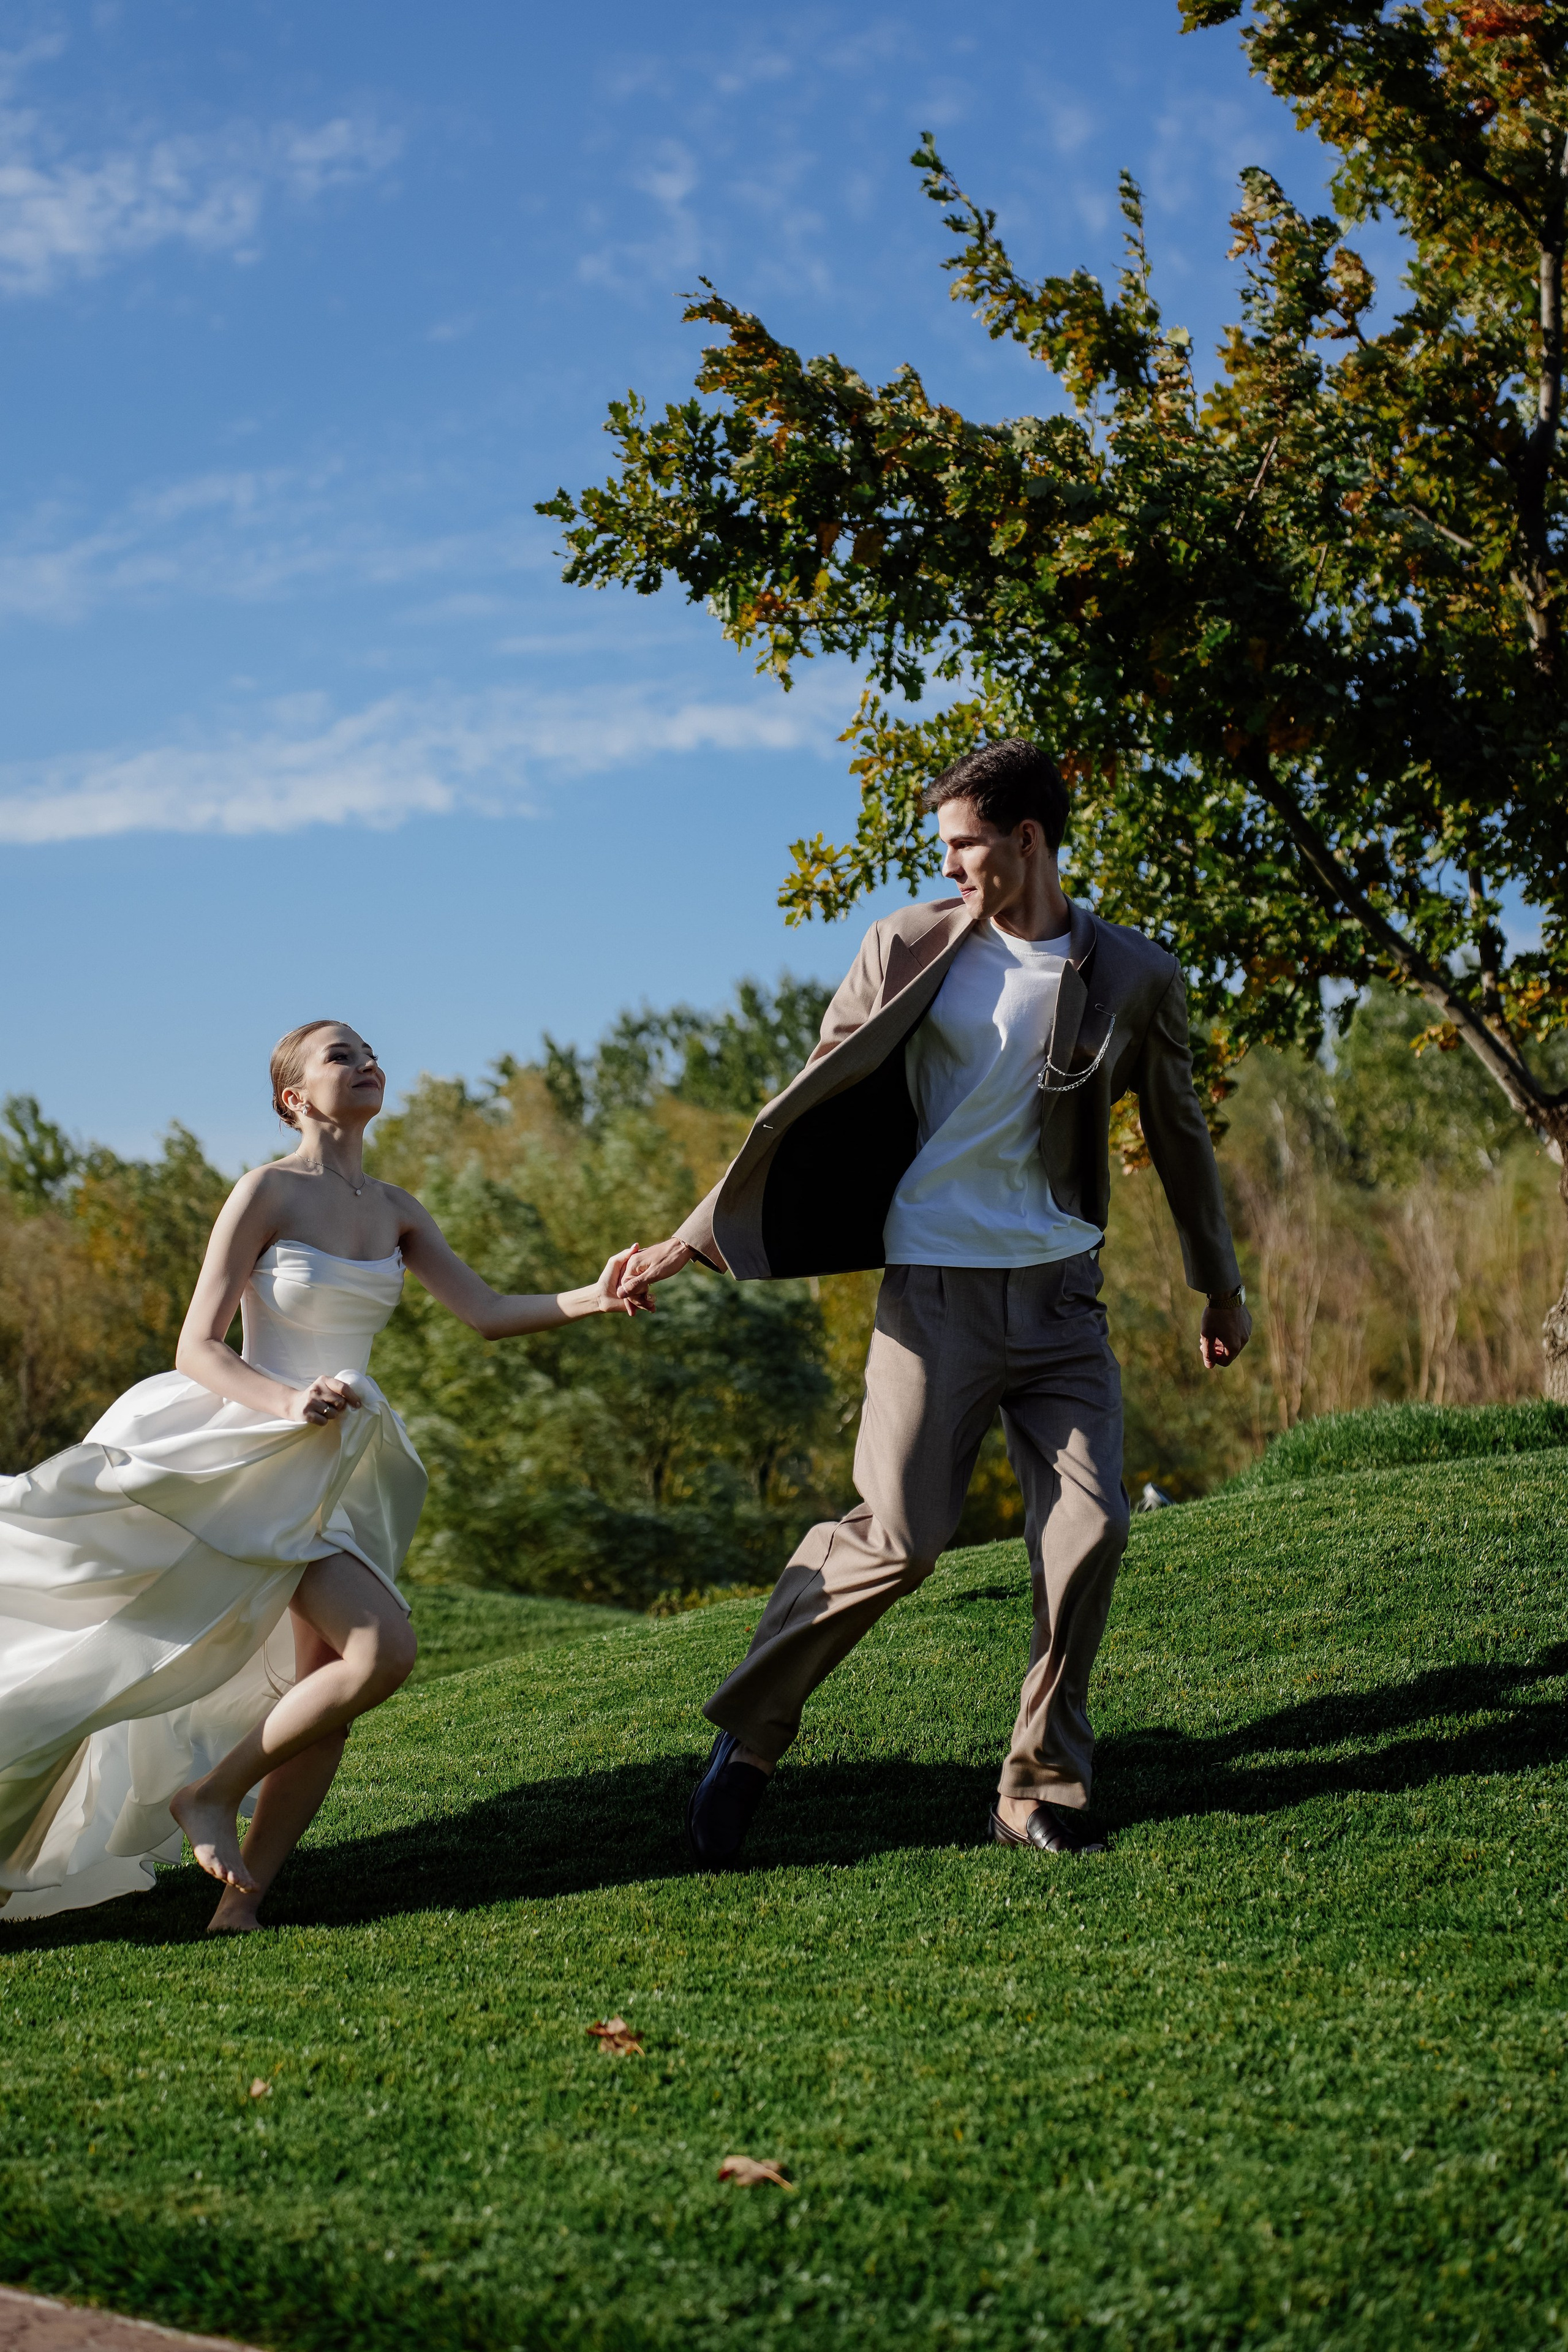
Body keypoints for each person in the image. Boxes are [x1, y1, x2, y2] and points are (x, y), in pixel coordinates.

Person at [617, 739, 1251, 1866]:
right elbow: (802, 1107)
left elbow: (1181, 1136)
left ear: (1028, 839)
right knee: (901, 1539)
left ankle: (1039, 1785)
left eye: (966, 844)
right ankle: (755, 1734)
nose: (951, 864)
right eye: (945, 846)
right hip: (934, 1292)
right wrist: (692, 1234)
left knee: (1092, 1529)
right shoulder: (904, 947)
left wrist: (1221, 1282)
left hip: (1061, 1297)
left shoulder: (1136, 975)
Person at [0, 1020, 638, 1933]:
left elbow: (489, 1312)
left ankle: (240, 1906)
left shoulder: (398, 1209)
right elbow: (196, 1347)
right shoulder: (266, 1191)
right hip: (253, 1462)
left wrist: (598, 1295)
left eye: (371, 1051)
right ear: (292, 1097)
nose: (368, 1063)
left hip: (337, 1471)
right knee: (384, 1651)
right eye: (342, 1055)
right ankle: (209, 1796)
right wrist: (285, 1402)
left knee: (328, 1692)